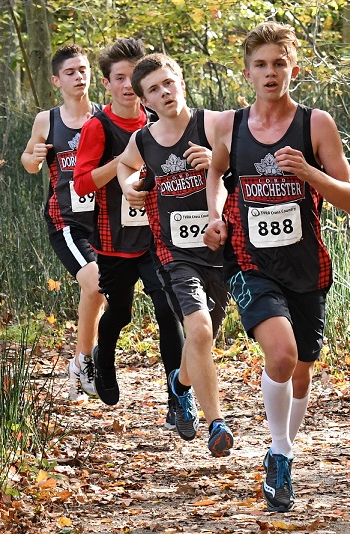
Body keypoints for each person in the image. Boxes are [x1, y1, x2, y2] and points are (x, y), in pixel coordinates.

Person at [204, 22, 350, 512]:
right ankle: (278, 454)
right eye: (260, 65)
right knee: (282, 353)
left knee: (302, 368)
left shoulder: (316, 124)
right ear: (247, 72)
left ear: (294, 68)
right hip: (250, 261)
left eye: (279, 63)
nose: (270, 73)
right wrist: (215, 217)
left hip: (305, 263)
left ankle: (282, 452)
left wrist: (308, 171)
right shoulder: (228, 124)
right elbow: (217, 173)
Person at [116, 53, 234, 457]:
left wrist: (221, 164)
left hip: (219, 249)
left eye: (169, 82)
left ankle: (181, 384)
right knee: (197, 330)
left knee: (207, 338)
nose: (164, 92)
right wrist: (130, 183)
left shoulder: (216, 123)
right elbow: (126, 166)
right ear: (144, 101)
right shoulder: (143, 139)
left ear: (181, 81)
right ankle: (216, 423)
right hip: (173, 252)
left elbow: (250, 165)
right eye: (153, 89)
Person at [73, 39, 184, 426]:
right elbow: (83, 184)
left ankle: (177, 398)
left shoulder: (157, 122)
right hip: (114, 242)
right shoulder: (97, 126)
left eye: (133, 78)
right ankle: (104, 359)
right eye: (119, 78)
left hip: (156, 238)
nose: (126, 86)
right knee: (118, 313)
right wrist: (123, 164)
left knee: (169, 312)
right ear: (107, 84)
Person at [21, 45, 105, 402]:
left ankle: (84, 359)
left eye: (83, 70)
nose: (79, 77)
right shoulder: (47, 120)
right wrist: (35, 156)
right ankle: (86, 361)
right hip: (65, 219)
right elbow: (27, 161)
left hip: (104, 218)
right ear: (57, 80)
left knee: (101, 291)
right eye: (70, 72)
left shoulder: (106, 116)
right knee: (97, 283)